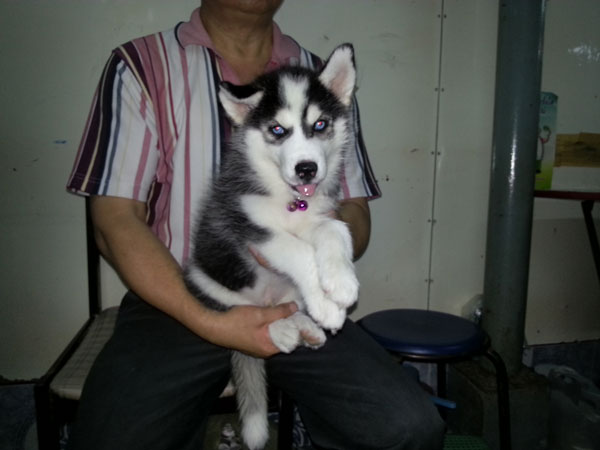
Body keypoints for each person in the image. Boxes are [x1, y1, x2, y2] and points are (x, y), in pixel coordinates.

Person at [65, 1, 446, 449]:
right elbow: (114, 223)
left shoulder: (320, 77)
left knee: (410, 428)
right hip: (178, 296)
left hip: (293, 296)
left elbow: (356, 213)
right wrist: (209, 320)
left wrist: (322, 248)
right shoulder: (140, 66)